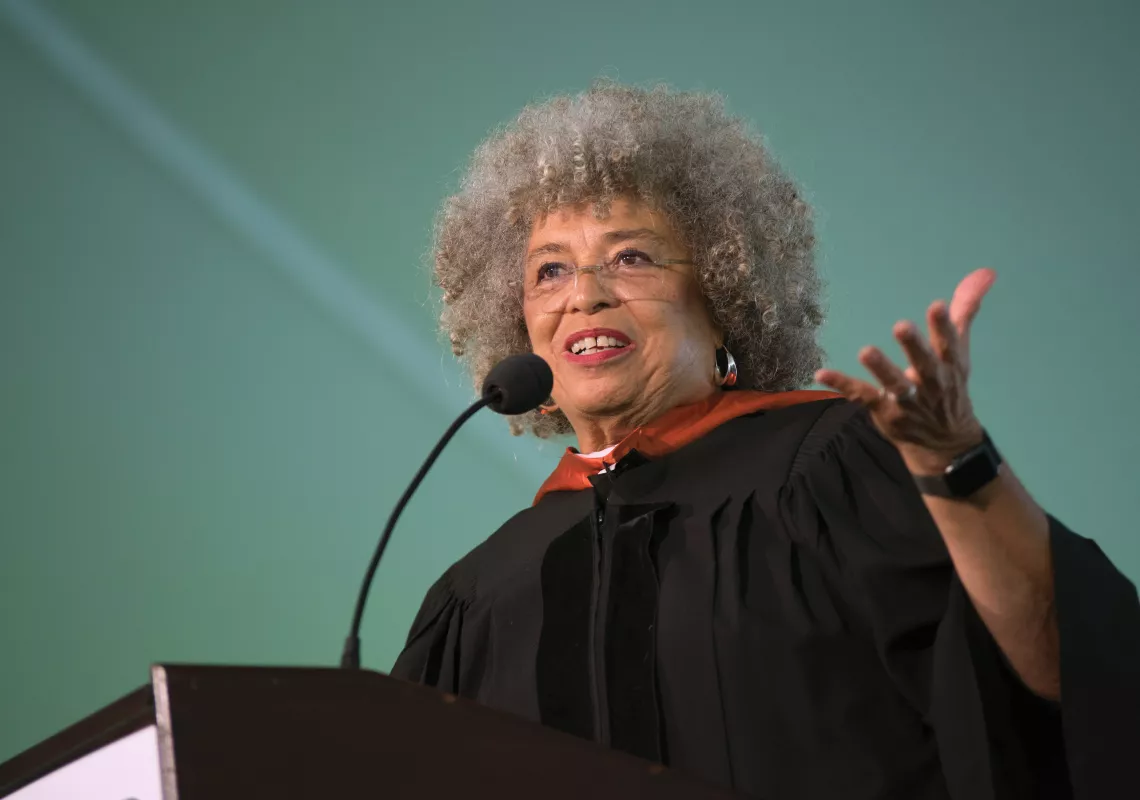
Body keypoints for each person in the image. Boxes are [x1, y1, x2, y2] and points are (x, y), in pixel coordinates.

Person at [390, 81, 1139, 799]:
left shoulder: (837, 468)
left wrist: (957, 463)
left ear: (721, 297)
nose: (585, 293)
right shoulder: (480, 596)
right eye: (549, 270)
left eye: (632, 257)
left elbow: (1067, 676)